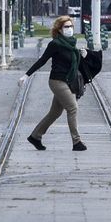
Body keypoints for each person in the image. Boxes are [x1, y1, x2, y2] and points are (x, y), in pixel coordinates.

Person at [18, 14, 87, 151]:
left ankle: (35, 136)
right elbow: (42, 60)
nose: (69, 29)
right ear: (60, 30)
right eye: (66, 27)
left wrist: (83, 55)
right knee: (72, 108)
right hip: (57, 81)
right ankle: (76, 142)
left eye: (71, 26)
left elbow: (74, 63)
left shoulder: (72, 44)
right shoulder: (55, 44)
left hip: (68, 81)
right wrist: (26, 75)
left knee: (54, 113)